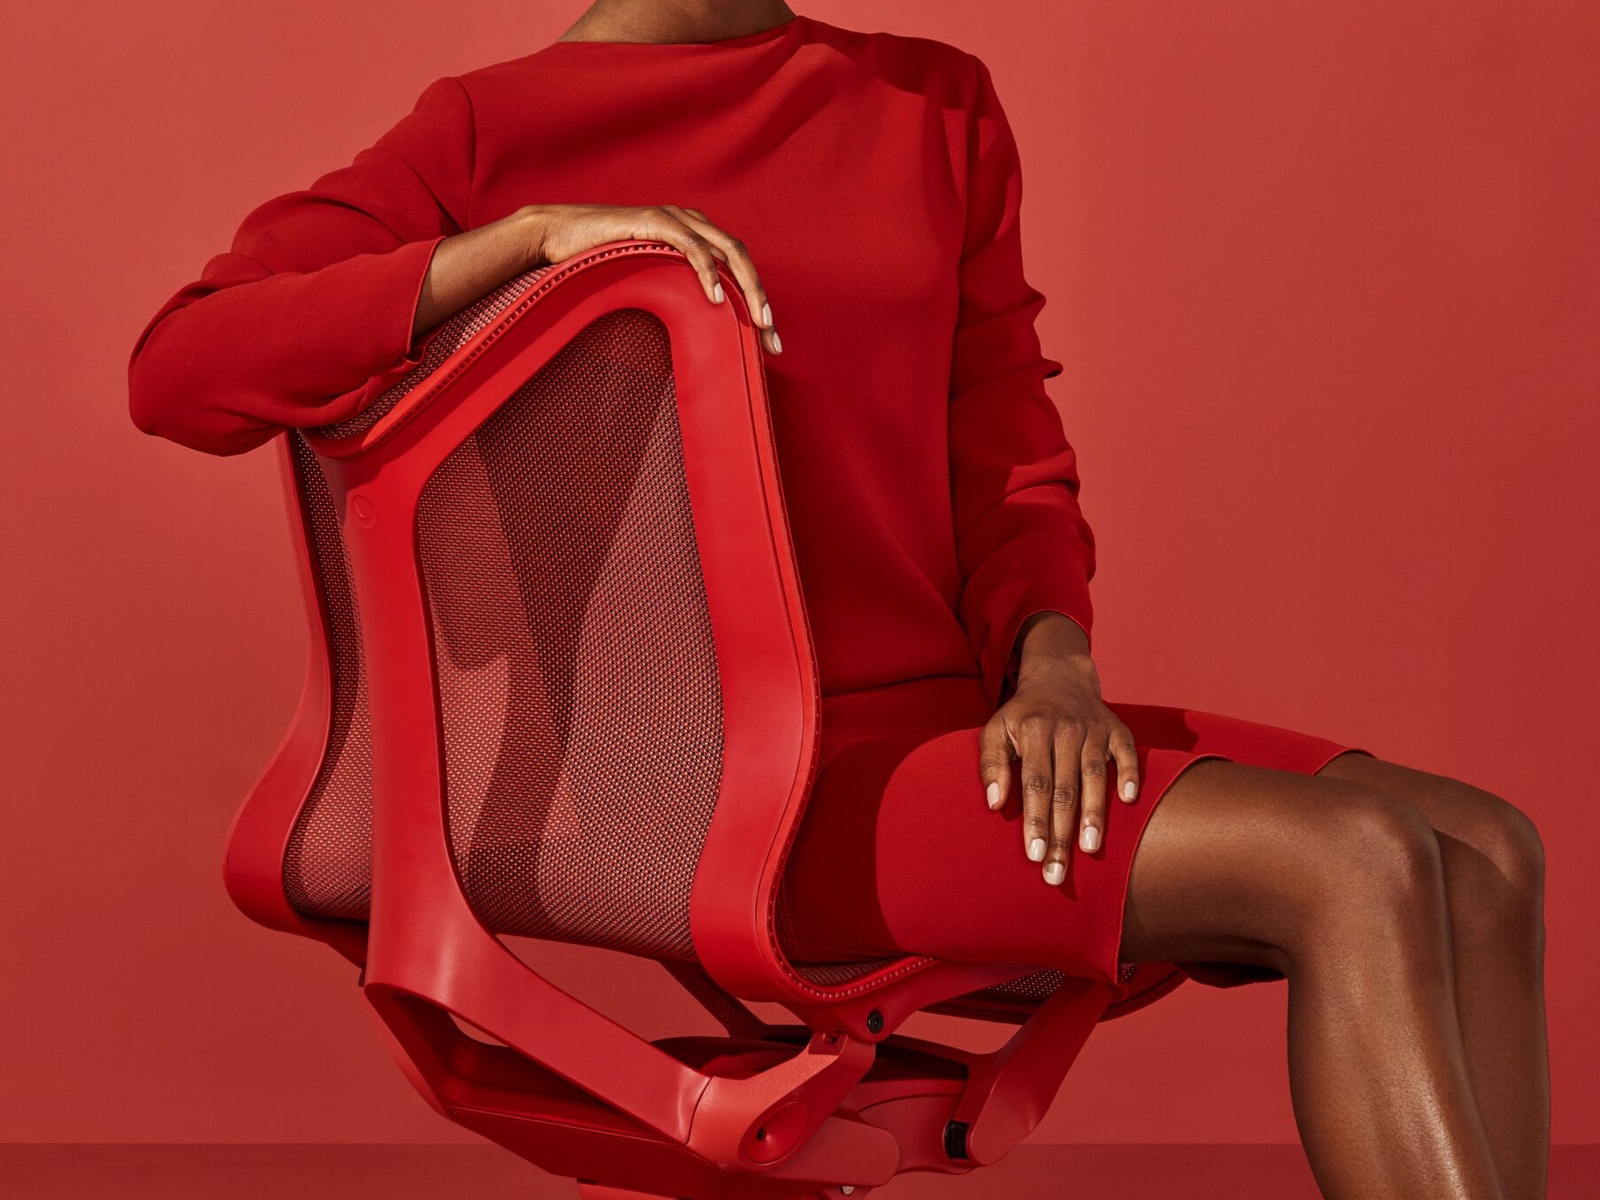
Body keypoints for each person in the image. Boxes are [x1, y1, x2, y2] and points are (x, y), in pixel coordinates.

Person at [125, 2, 1549, 1195]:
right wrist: (518, 248)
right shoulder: (487, 133)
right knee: (1352, 860)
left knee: (1486, 849)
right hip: (748, 800)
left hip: (962, 747)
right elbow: (178, 368)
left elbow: (1010, 464)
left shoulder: (938, 107)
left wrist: (1053, 672)